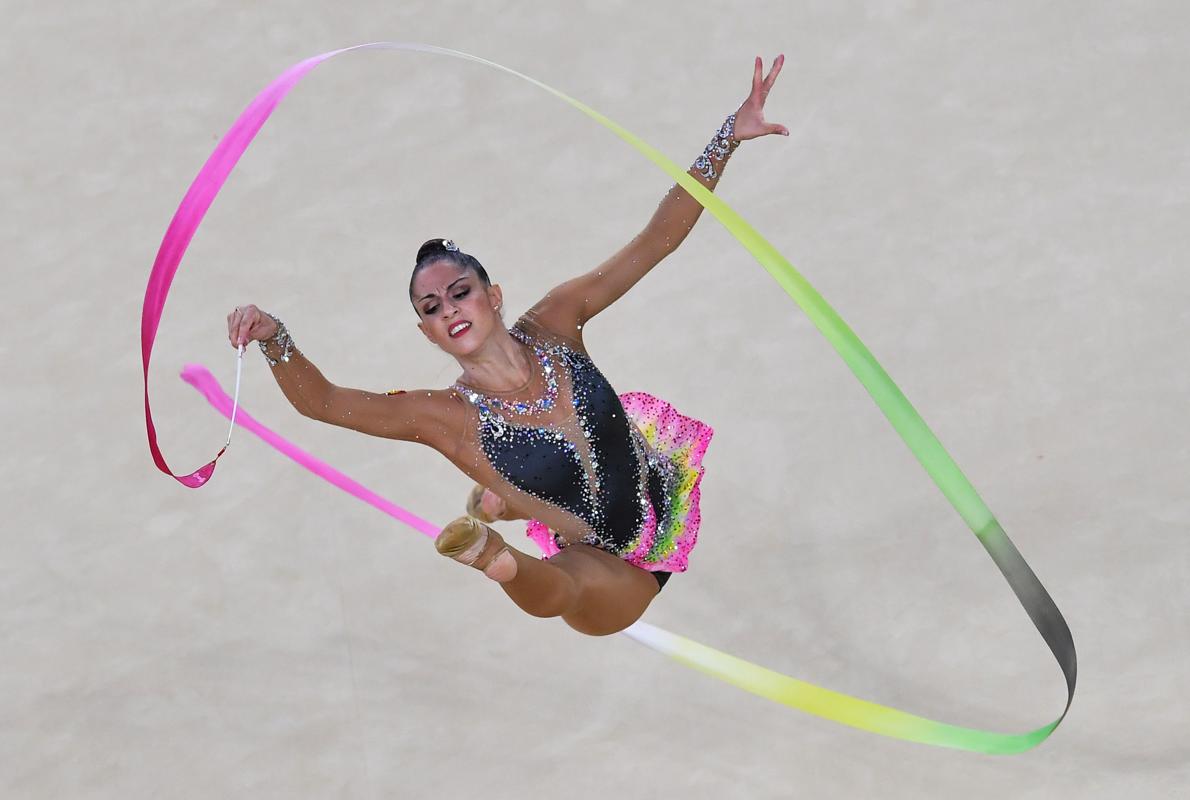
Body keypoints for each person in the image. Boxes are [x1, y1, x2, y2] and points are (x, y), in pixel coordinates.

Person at [226, 55, 789, 636]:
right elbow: (326, 403)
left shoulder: (556, 322)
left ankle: (500, 504)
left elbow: (655, 242)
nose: (449, 309)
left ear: (493, 295)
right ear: (427, 332)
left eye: (459, 292)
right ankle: (493, 555)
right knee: (569, 585)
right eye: (432, 308)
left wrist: (729, 137)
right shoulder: (446, 417)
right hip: (608, 571)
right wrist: (275, 338)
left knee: (533, 502)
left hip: (660, 496)